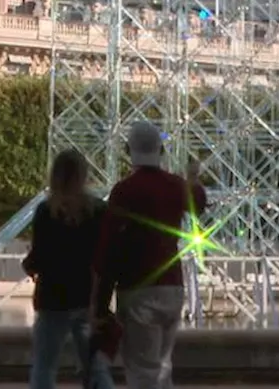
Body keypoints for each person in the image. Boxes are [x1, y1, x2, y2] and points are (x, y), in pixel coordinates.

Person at [92, 121, 206, 389]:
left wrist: (100, 304)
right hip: (172, 286)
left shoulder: (124, 190)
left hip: (138, 288)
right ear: (161, 149)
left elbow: (108, 248)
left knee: (143, 371)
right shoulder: (175, 185)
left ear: (128, 150)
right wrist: (193, 178)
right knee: (162, 367)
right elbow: (198, 202)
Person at [23, 149, 111, 389]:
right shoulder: (98, 211)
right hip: (86, 297)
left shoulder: (45, 212)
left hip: (52, 297)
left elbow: (39, 255)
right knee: (95, 367)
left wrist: (29, 265)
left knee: (44, 365)